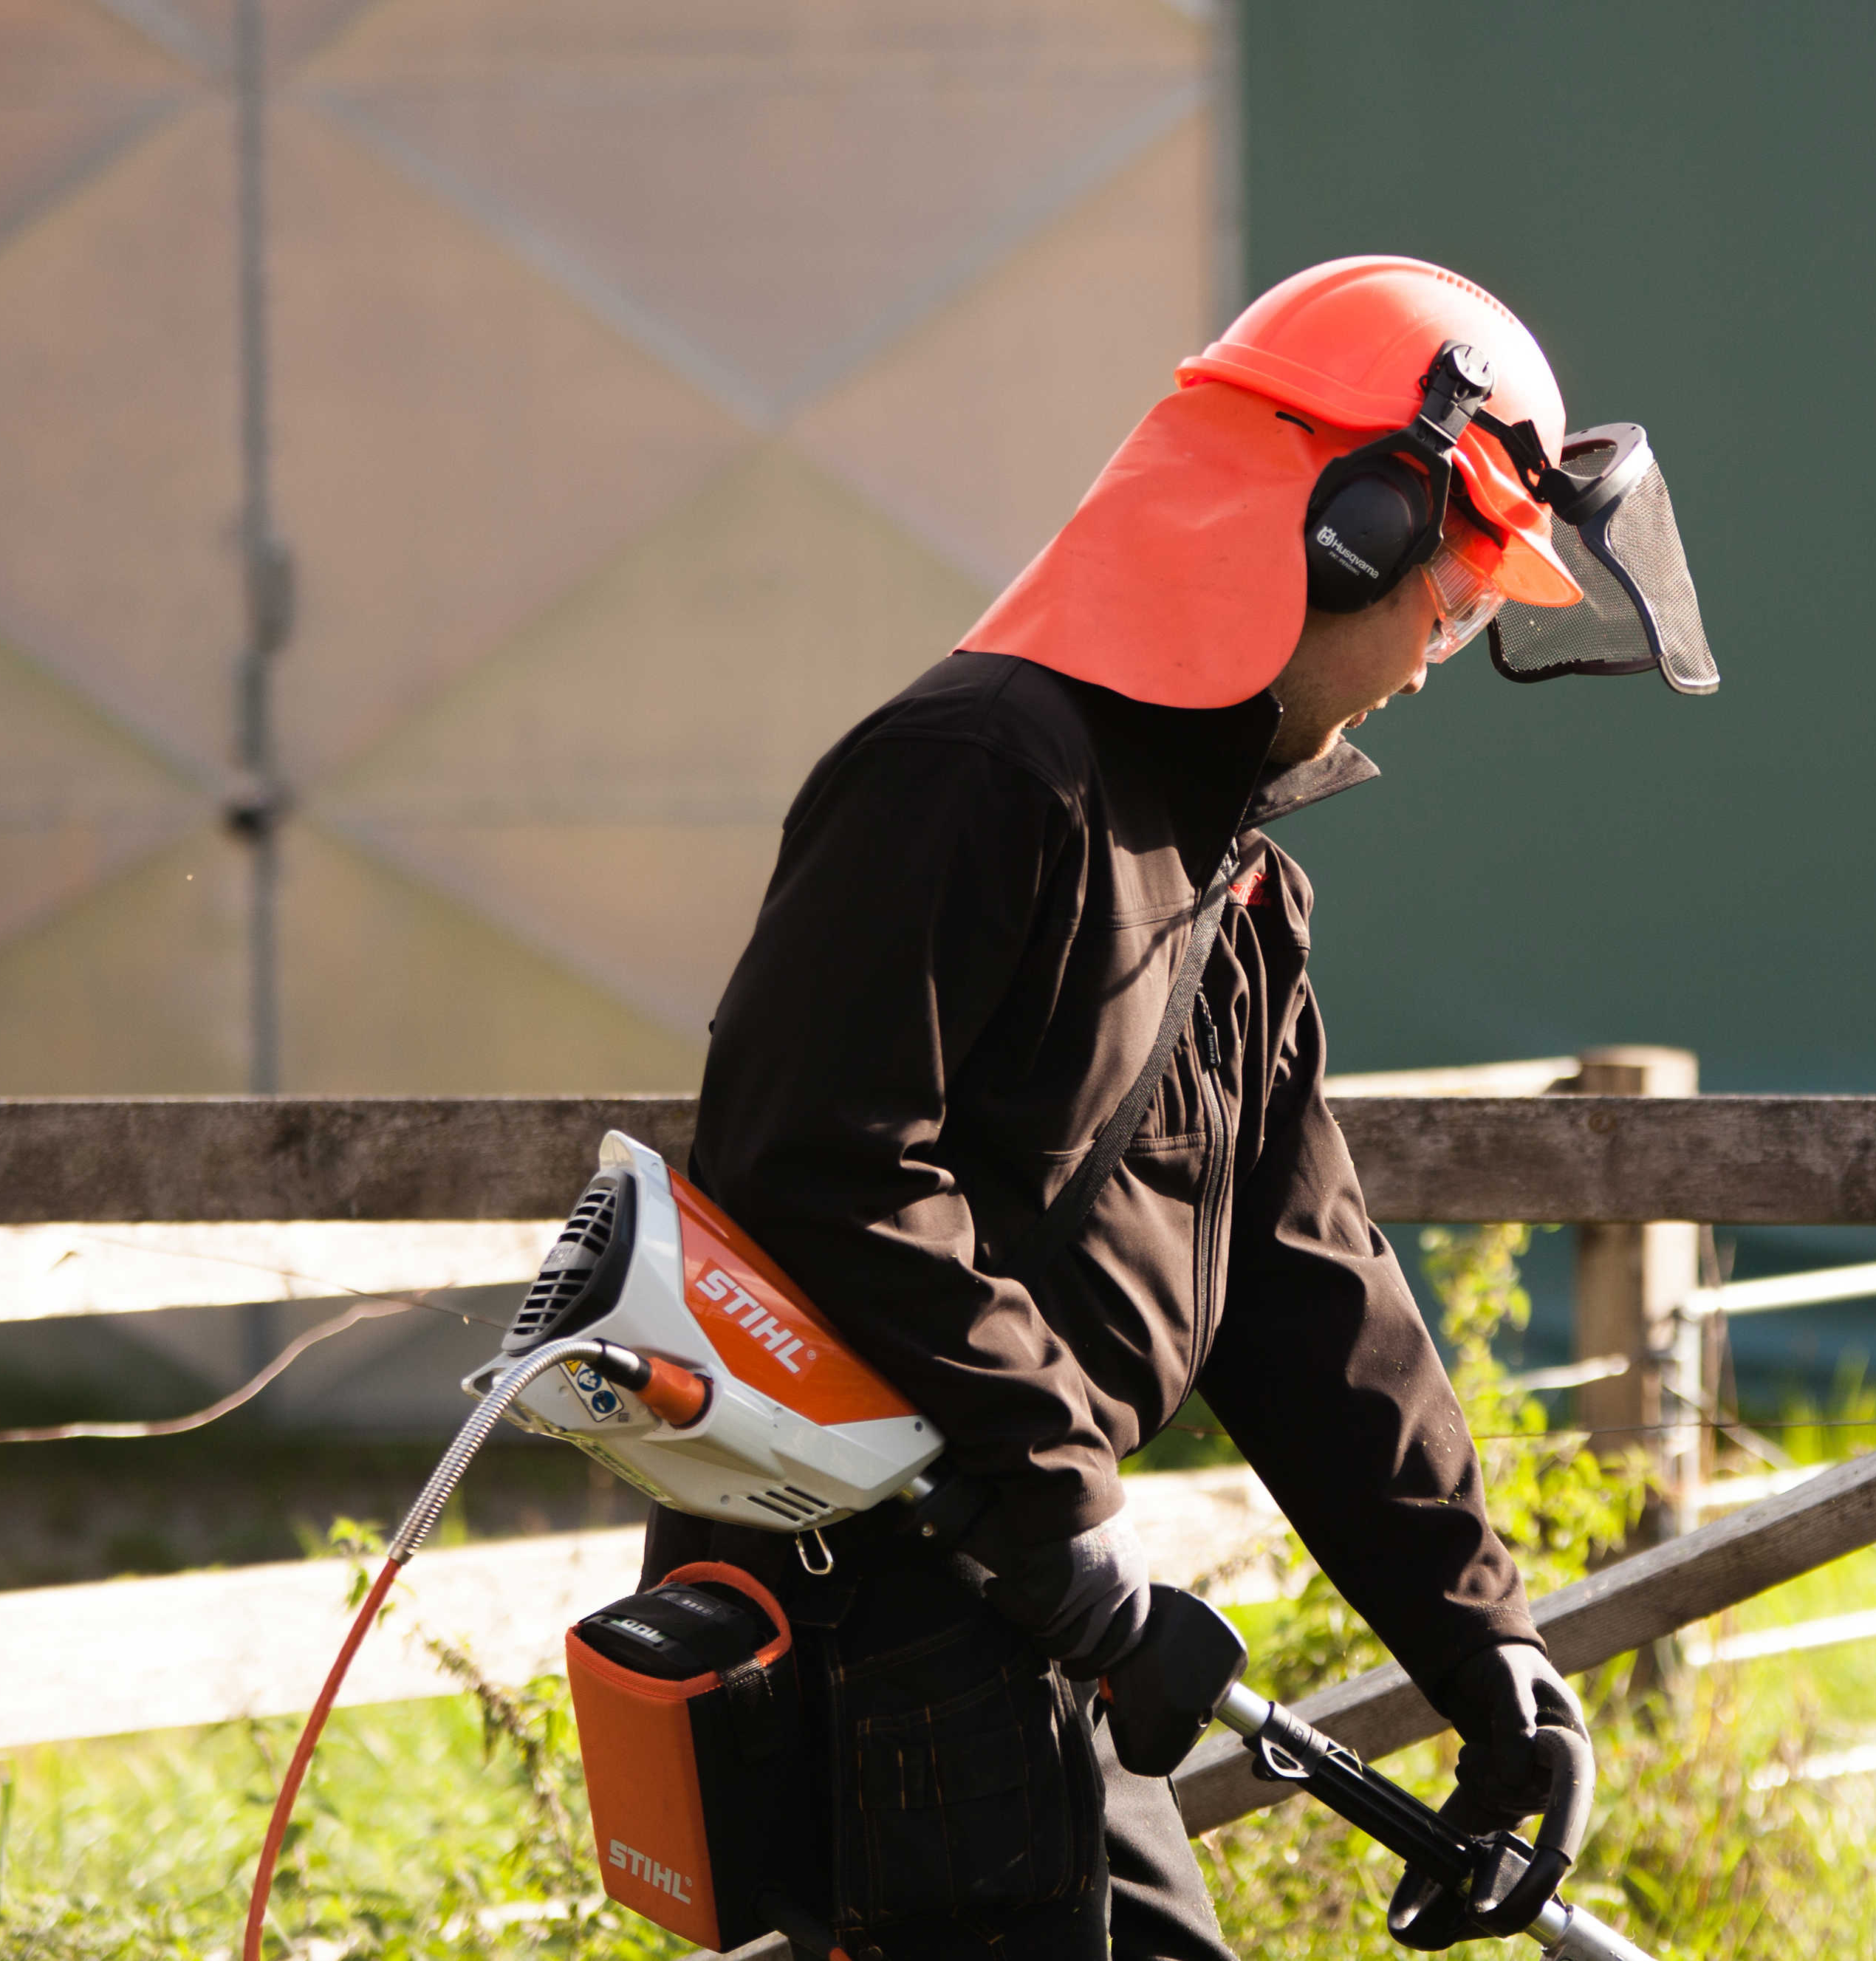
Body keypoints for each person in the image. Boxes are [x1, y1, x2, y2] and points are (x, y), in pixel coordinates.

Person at [637, 255, 1714, 1959]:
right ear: (1339, 525)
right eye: (1451, 589)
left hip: (1029, 1610)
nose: (1448, 646)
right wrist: (1059, 1488)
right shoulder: (978, 775)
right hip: (874, 1615)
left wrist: (1488, 1652)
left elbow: (1308, 1291)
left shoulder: (1234, 891)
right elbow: (815, 1161)